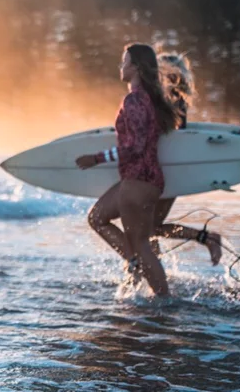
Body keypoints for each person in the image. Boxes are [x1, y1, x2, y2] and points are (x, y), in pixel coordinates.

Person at [76, 43, 180, 297]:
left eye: (124, 62)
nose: (121, 67)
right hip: (141, 179)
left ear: (135, 67)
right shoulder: (149, 98)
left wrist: (96, 158)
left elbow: (135, 146)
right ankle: (133, 262)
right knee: (97, 218)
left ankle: (164, 302)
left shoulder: (134, 99)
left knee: (142, 244)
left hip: (138, 180)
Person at [151, 52, 222, 264]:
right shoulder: (172, 100)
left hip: (167, 170)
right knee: (148, 228)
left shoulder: (171, 101)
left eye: (158, 70)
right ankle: (147, 271)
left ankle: (208, 238)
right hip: (163, 168)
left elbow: (172, 138)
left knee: (148, 227)